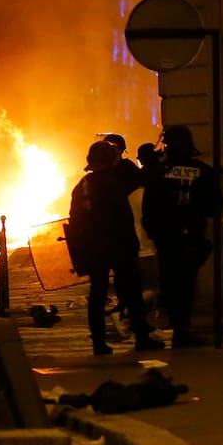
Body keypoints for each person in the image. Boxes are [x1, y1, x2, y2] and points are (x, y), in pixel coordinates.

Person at [66, 140, 164, 356]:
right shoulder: (114, 184)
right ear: (110, 160)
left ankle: (99, 343)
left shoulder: (81, 187)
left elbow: (75, 221)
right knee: (132, 291)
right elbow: (123, 218)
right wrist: (132, 245)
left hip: (94, 248)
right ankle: (141, 337)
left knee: (97, 293)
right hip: (118, 246)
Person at [141, 124, 223, 349]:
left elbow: (149, 208)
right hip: (192, 237)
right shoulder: (203, 171)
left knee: (170, 281)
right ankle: (182, 330)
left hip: (167, 238)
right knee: (187, 283)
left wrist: (155, 233)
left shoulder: (158, 172)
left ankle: (177, 326)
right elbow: (215, 205)